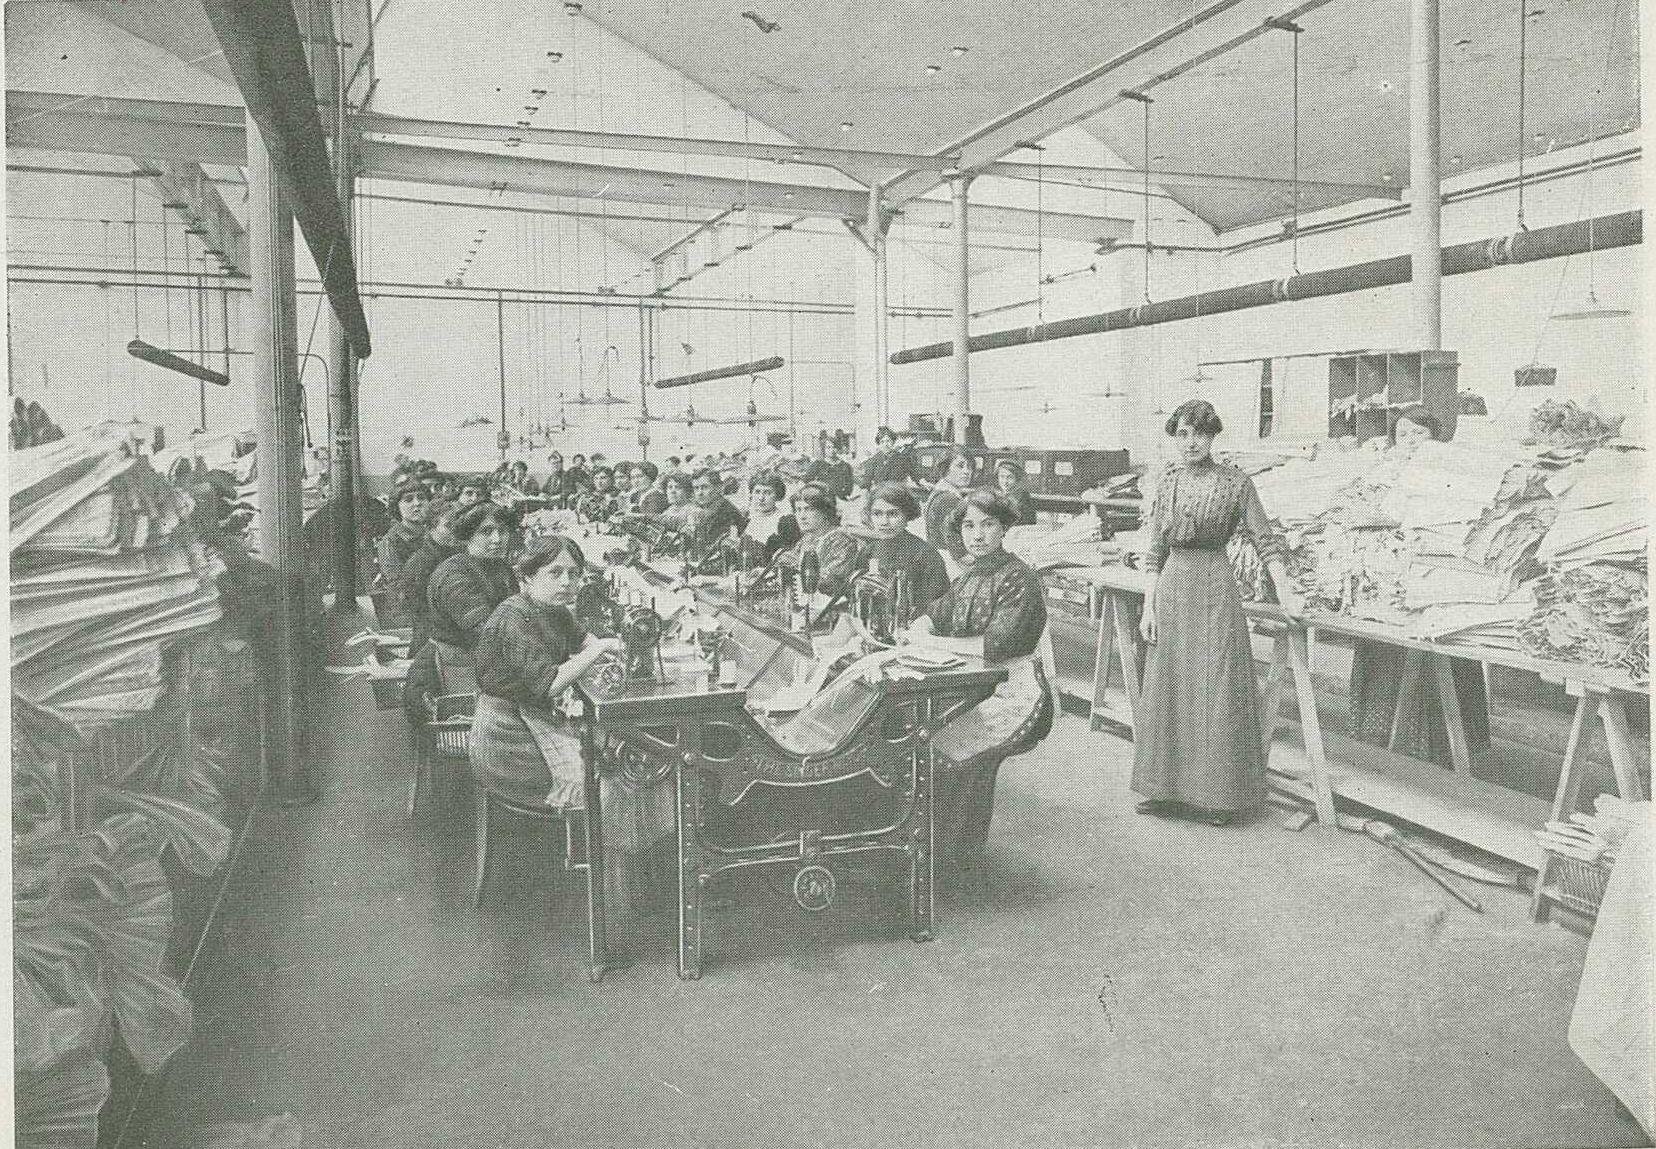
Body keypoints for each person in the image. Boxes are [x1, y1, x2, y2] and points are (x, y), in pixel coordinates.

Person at [1130, 399, 1303, 826]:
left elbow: (1265, 539)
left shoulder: (1236, 483)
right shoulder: (1166, 482)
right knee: (1170, 684)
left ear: (1213, 436)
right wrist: (1148, 606)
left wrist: (1287, 591)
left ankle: (1217, 797)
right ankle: (1165, 791)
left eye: (1200, 434)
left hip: (1213, 588)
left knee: (1215, 685)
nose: (1191, 443)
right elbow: (1155, 548)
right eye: (1183, 434)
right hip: (1172, 586)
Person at [898, 489, 1053, 869]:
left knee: (949, 751)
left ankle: (955, 859)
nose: (977, 535)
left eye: (988, 525)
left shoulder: (1019, 577)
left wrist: (932, 640)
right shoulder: (971, 574)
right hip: (974, 686)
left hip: (1012, 690)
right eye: (969, 525)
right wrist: (920, 625)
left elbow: (998, 645)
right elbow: (939, 611)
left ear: (1004, 528)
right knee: (917, 738)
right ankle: (935, 849)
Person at [1347, 406, 1491, 764]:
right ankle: (1381, 739)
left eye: (1419, 434)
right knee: (1388, 654)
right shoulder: (1384, 470)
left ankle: (1446, 748)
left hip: (1435, 574)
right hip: (1390, 574)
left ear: (1436, 438)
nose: (1410, 441)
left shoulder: (1449, 471)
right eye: (1403, 434)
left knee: (1442, 652)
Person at [468, 536, 625, 808]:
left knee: (617, 747)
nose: (567, 582)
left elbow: (584, 640)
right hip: (507, 739)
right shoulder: (515, 617)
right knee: (615, 770)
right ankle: (609, 845)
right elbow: (551, 684)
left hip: (530, 717)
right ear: (528, 576)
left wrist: (621, 647)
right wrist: (598, 649)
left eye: (574, 574)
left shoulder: (554, 610)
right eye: (555, 572)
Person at [403, 504, 517, 726]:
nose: (497, 539)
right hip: (454, 672)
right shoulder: (455, 575)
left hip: (480, 661)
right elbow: (489, 631)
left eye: (503, 531)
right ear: (467, 535)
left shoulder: (497, 567)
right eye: (486, 532)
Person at [862, 482, 950, 614]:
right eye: (877, 514)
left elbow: (938, 608)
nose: (884, 522)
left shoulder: (926, 555)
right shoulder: (868, 552)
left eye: (893, 514)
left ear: (907, 515)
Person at [399, 502, 465, 655]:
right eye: (448, 526)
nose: (455, 532)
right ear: (431, 528)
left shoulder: (456, 555)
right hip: (431, 643)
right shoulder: (421, 562)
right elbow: (416, 608)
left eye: (459, 526)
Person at [779, 487, 861, 599]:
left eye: (809, 509)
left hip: (831, 606)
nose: (802, 516)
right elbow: (786, 562)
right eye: (798, 510)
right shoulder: (807, 538)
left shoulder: (841, 540)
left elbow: (831, 582)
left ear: (824, 512)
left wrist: (793, 564)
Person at [923, 447, 974, 565]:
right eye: (960, 466)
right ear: (945, 468)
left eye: (970, 467)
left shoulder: (939, 492)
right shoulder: (948, 500)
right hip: (950, 563)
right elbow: (958, 551)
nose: (967, 471)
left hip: (939, 558)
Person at [377, 480, 431, 585]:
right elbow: (396, 583)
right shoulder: (390, 542)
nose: (417, 503)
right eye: (408, 499)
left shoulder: (434, 533)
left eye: (421, 498)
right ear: (396, 506)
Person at [741, 472, 801, 562]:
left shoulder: (786, 521)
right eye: (757, 492)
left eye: (767, 493)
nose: (761, 498)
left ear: (777, 495)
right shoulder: (746, 519)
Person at [690, 466, 747, 553]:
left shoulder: (727, 513)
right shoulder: (705, 510)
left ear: (719, 488)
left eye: (705, 487)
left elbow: (717, 549)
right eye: (696, 488)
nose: (699, 493)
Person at [994, 459, 1039, 526]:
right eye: (1002, 476)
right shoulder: (994, 494)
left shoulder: (1023, 497)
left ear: (1017, 479)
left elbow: (1029, 522)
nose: (1005, 481)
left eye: (1010, 477)